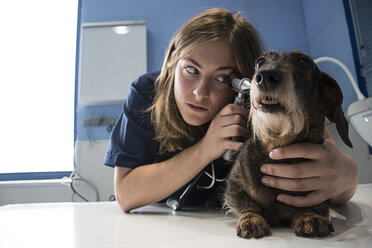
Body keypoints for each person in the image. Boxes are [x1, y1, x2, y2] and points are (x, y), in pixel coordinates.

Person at [104, 8, 358, 212]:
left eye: (224, 79)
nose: (200, 93)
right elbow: (125, 195)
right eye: (191, 70)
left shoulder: (261, 101)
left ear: (246, 82)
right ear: (172, 61)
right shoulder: (147, 92)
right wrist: (206, 148)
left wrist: (347, 177)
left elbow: (331, 162)